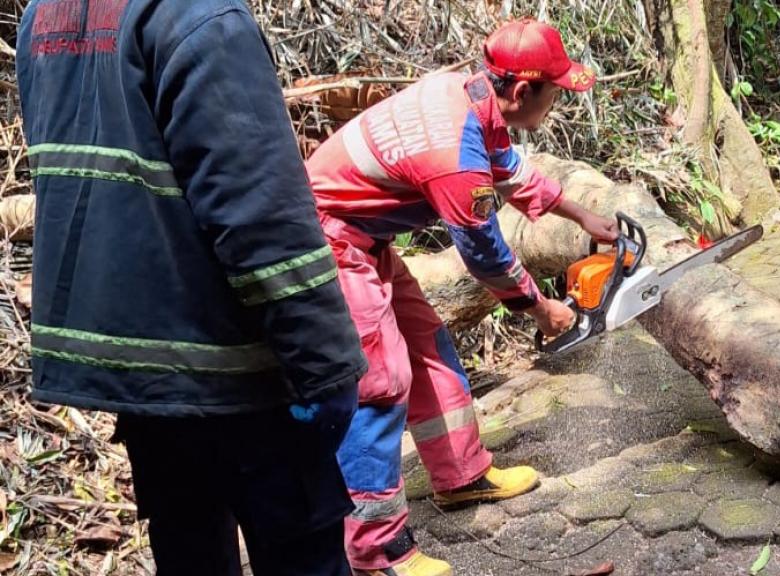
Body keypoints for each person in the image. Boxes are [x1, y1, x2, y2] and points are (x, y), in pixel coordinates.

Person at [16, 1, 367, 574]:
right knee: (304, 552)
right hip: (234, 366)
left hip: (134, 368)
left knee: (190, 549)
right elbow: (259, 213)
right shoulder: (198, 14)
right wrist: (326, 366)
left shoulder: (43, 16)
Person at [306, 18, 618, 576]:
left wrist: (583, 215)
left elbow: (514, 173)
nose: (557, 104)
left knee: (429, 343)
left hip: (363, 237)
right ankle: (377, 552)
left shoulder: (473, 97)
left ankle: (461, 476)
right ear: (523, 90)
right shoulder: (454, 153)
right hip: (329, 240)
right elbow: (486, 255)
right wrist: (539, 307)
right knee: (380, 382)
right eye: (555, 93)